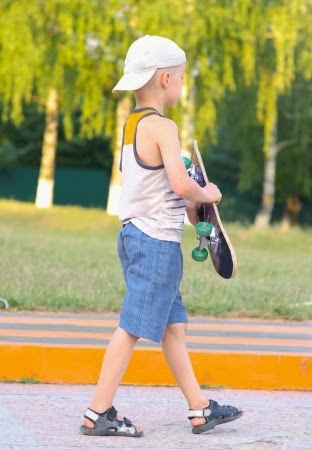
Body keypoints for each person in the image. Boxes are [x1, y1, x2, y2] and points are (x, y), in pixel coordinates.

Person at [80, 35, 243, 438]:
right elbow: (181, 185)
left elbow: (160, 186)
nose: (182, 84)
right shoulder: (164, 127)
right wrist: (208, 194)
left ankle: (200, 409)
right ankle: (97, 412)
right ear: (167, 79)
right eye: (183, 77)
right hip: (156, 242)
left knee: (174, 329)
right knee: (132, 326)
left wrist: (190, 199)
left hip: (135, 235)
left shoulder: (132, 125)